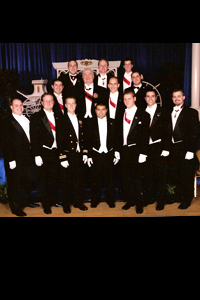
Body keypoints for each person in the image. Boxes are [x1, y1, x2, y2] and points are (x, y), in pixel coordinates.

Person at [1, 99, 39, 216]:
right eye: (16, 105)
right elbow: (5, 142)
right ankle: (15, 207)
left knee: (26, 181)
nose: (20, 107)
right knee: (15, 183)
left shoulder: (26, 118)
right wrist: (11, 159)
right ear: (11, 107)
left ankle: (26, 201)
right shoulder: (6, 122)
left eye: (21, 105)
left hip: (28, 157)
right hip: (15, 159)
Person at [30, 93, 64, 214]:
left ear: (54, 102)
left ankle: (53, 200)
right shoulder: (36, 117)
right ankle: (46, 205)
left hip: (56, 152)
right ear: (42, 103)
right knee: (44, 180)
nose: (49, 103)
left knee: (54, 179)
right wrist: (36, 155)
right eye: (46, 101)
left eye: (51, 100)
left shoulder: (59, 116)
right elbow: (33, 137)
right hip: (43, 153)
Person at [117, 89, 150, 214]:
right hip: (124, 150)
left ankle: (139, 203)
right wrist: (117, 150)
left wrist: (143, 153)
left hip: (137, 151)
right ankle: (130, 201)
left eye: (129, 98)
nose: (127, 101)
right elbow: (118, 134)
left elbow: (145, 136)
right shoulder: (121, 113)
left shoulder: (143, 114)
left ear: (134, 99)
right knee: (126, 177)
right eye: (125, 99)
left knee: (137, 178)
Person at [168, 89, 200, 209]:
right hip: (173, 148)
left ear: (184, 97)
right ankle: (177, 197)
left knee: (186, 175)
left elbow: (195, 133)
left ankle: (187, 200)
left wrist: (191, 151)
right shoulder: (169, 112)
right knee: (175, 173)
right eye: (174, 97)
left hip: (186, 148)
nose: (177, 98)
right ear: (172, 99)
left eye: (179, 96)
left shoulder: (191, 112)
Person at [86, 102, 120, 208]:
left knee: (110, 179)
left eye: (103, 109)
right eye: (98, 109)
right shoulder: (89, 123)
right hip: (96, 154)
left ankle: (110, 200)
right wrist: (89, 156)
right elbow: (87, 141)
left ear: (106, 110)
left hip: (109, 154)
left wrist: (117, 153)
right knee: (94, 179)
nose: (101, 112)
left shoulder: (113, 122)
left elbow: (117, 139)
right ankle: (95, 200)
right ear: (95, 110)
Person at [58, 96, 88, 213]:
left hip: (78, 154)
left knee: (79, 181)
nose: (71, 106)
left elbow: (83, 137)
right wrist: (62, 157)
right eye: (69, 104)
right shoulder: (61, 119)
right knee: (66, 182)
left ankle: (78, 202)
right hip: (67, 155)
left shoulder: (81, 118)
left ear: (76, 105)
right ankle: (66, 205)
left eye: (73, 103)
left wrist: (85, 152)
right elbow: (59, 140)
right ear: (65, 105)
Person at [144, 90, 171, 210]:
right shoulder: (142, 111)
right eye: (148, 96)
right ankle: (150, 198)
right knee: (148, 174)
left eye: (152, 96)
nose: (150, 98)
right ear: (145, 98)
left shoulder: (163, 112)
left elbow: (168, 130)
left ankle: (161, 200)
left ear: (156, 98)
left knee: (160, 175)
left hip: (158, 146)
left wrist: (166, 148)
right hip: (146, 148)